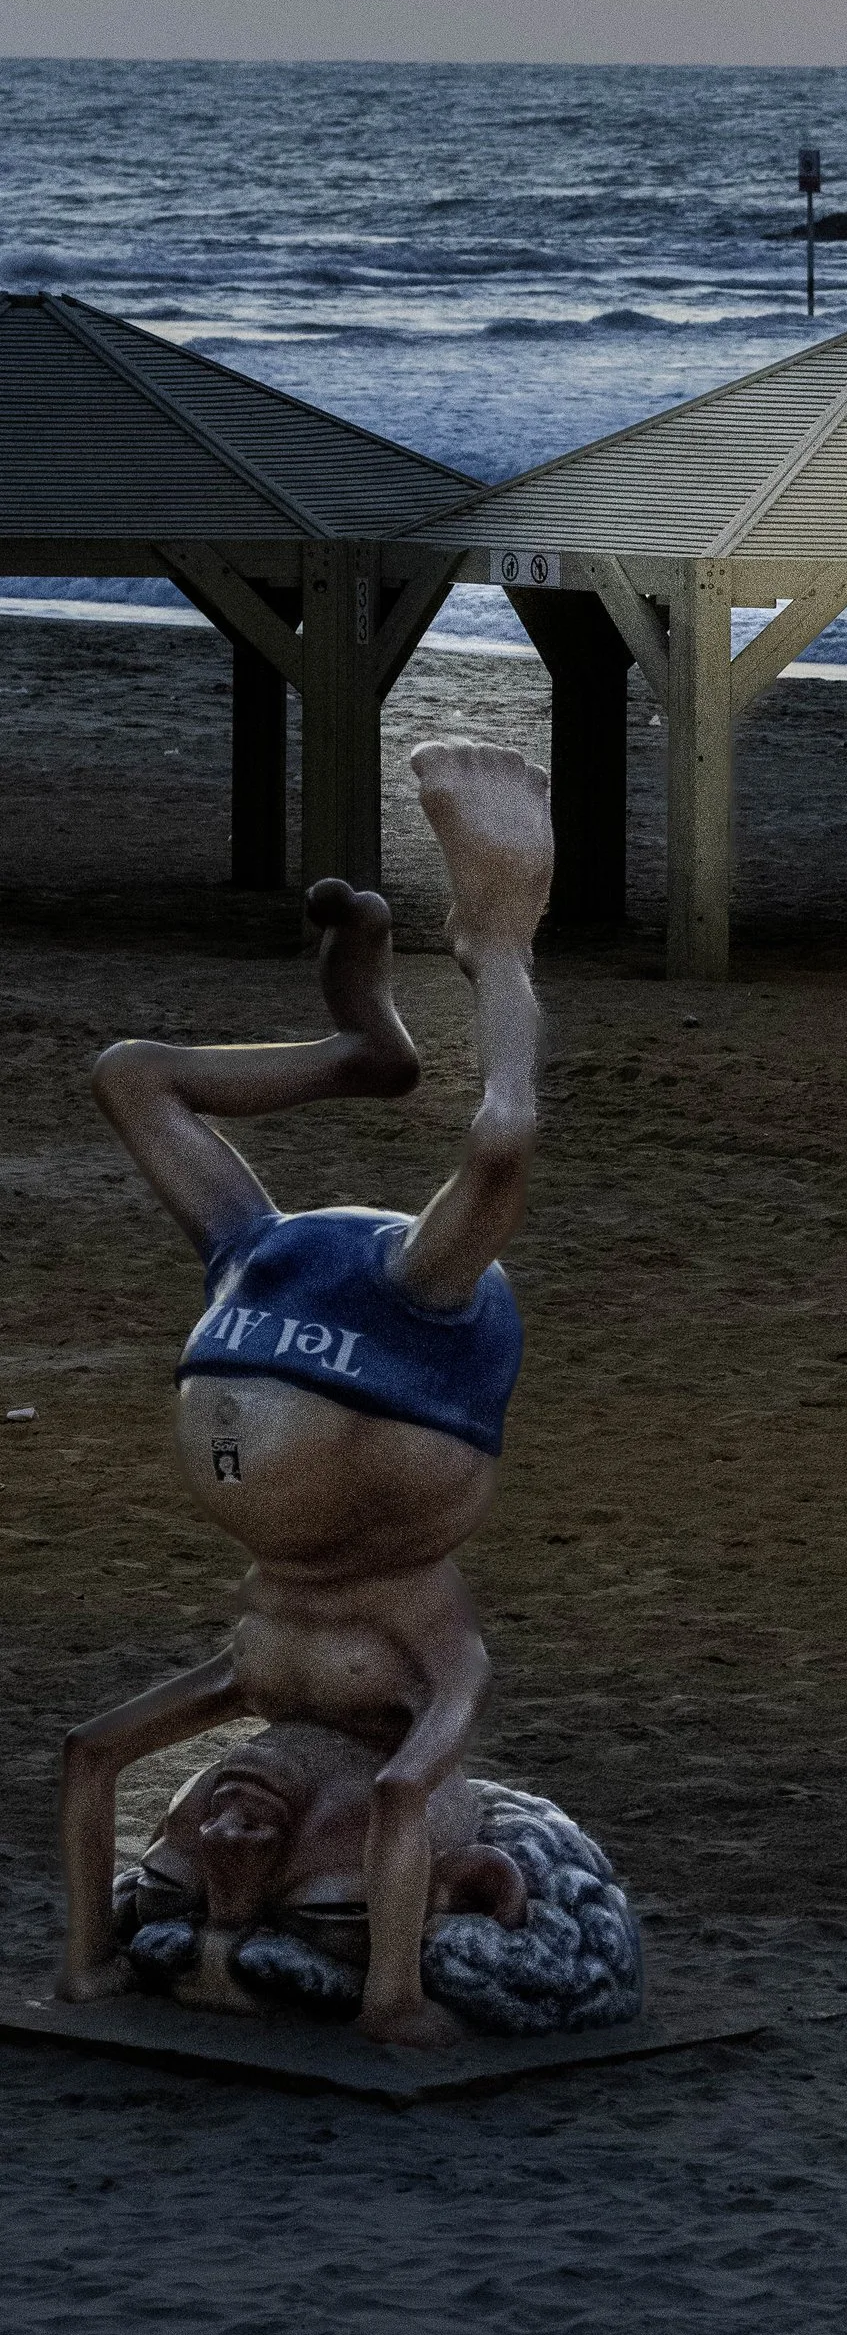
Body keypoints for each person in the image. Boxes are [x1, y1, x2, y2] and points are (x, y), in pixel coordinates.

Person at [56, 740, 553, 2051]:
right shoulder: (266, 1255)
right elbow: (135, 1081)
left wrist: (497, 945)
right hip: (290, 1376)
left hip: (350, 1520)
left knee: (498, 1137)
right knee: (128, 1069)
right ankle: (361, 1052)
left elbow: (503, 1149)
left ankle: (492, 937)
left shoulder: (417, 1292)